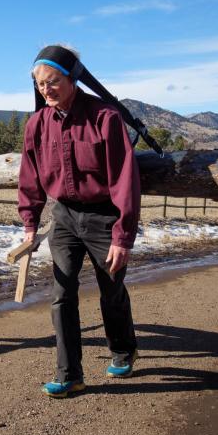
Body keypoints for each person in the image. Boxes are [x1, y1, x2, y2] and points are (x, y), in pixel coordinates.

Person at [18, 44, 141, 398]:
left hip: (105, 217)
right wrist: (30, 220)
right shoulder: (37, 125)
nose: (46, 89)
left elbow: (123, 179)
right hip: (64, 218)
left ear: (72, 78)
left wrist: (122, 236)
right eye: (41, 83)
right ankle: (69, 373)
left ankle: (123, 349)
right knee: (62, 293)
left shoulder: (105, 117)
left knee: (111, 289)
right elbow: (30, 177)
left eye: (53, 80)